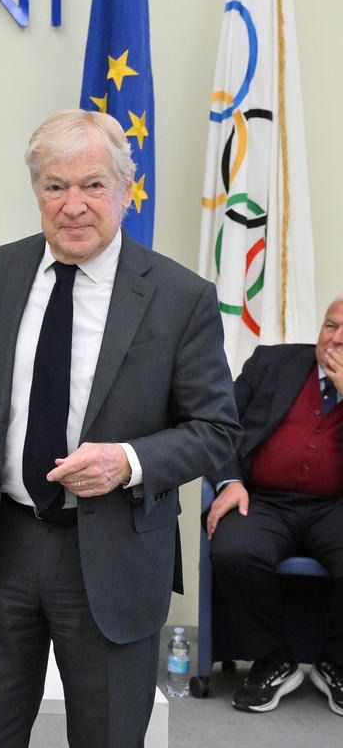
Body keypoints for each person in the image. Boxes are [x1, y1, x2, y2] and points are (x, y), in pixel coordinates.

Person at [0, 108, 240, 747]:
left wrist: (128, 461)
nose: (73, 205)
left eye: (93, 185)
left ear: (125, 191)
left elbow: (216, 429)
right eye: (55, 186)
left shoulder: (180, 296)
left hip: (113, 553)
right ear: (36, 191)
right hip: (3, 544)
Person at [206, 296, 343, 715]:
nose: (336, 339)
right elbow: (218, 421)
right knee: (233, 550)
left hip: (334, 506)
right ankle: (273, 658)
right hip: (262, 499)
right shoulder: (271, 363)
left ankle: (336, 662)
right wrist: (230, 480)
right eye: (331, 326)